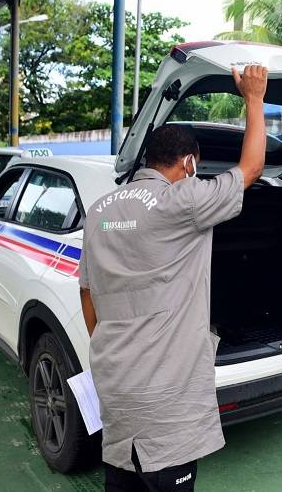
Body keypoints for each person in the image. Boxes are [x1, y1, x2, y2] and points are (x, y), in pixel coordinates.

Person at [79, 65, 268, 491]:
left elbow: (87, 293)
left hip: (113, 379)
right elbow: (251, 169)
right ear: (188, 163)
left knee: (122, 479)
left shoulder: (100, 210)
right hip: (166, 397)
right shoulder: (182, 200)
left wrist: (114, 349)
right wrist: (254, 99)